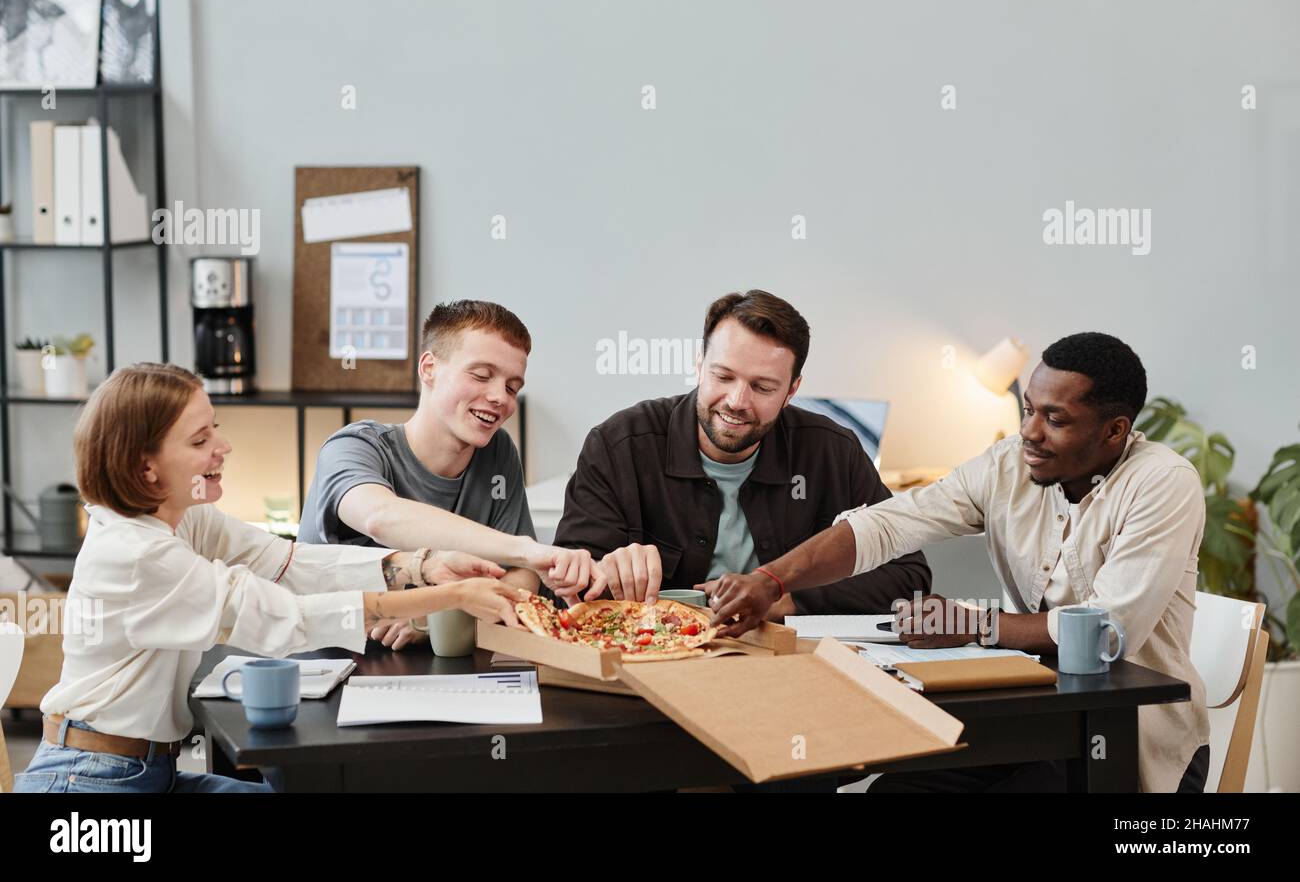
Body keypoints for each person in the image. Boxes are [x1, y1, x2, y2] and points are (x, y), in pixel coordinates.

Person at [703, 333, 1211, 792]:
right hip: (1037, 715)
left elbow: (1105, 631)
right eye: (1028, 409)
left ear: (1114, 431)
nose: (1029, 432)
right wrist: (771, 579)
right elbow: (888, 524)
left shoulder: (1163, 483)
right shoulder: (1009, 463)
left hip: (1128, 737)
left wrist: (976, 625)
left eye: (1054, 420)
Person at [15, 363, 527, 793]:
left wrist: (418, 565)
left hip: (150, 772)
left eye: (214, 427)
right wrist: (449, 595)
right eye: (201, 438)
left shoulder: (180, 517)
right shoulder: (136, 555)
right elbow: (285, 617)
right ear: (146, 467)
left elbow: (286, 562)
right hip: (90, 781)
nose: (224, 446)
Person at [557, 290, 930, 615]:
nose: (737, 402)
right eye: (723, 377)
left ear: (792, 391)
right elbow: (562, 587)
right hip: (650, 662)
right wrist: (603, 570)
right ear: (699, 365)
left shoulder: (834, 452)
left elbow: (908, 575)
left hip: (788, 666)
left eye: (763, 387)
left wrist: (783, 596)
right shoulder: (618, 444)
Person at [298, 300, 592, 649]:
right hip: (330, 668)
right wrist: (526, 550)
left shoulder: (498, 454)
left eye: (513, 387)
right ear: (429, 368)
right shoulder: (352, 448)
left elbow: (523, 576)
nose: (500, 398)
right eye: (481, 375)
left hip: (444, 667)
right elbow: (381, 516)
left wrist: (430, 617)